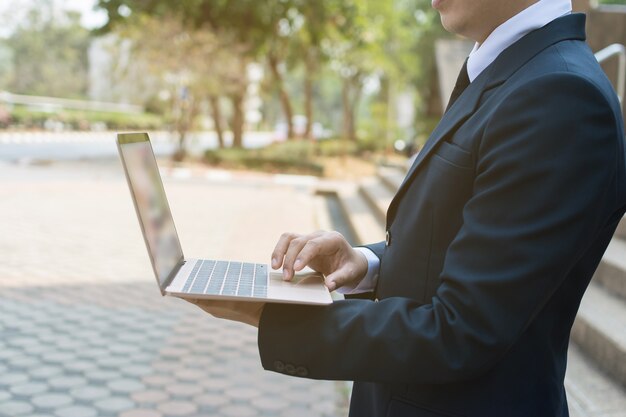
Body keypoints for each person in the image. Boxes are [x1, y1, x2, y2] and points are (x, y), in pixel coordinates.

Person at [189, 0, 626, 416]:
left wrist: (275, 316)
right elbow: (461, 245)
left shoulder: (560, 96)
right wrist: (365, 264)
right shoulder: (516, 70)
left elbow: (462, 331)